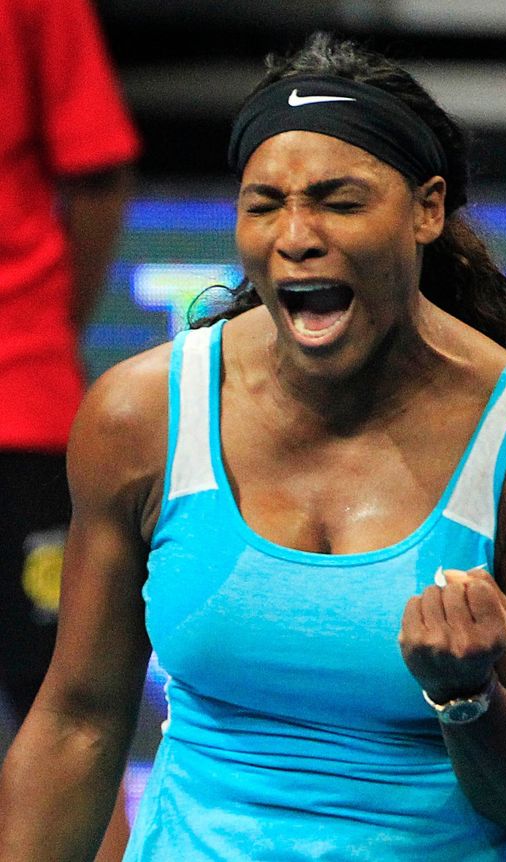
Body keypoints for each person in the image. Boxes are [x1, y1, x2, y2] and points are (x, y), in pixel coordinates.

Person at [0, 32, 506, 862]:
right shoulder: (139, 414)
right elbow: (78, 721)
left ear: (427, 210)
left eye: (339, 200)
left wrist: (470, 700)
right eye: (264, 204)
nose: (295, 235)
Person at [0, 0, 140, 858]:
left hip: (18, 406)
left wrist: (40, 332)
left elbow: (97, 170)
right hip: (25, 387)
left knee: (70, 723)